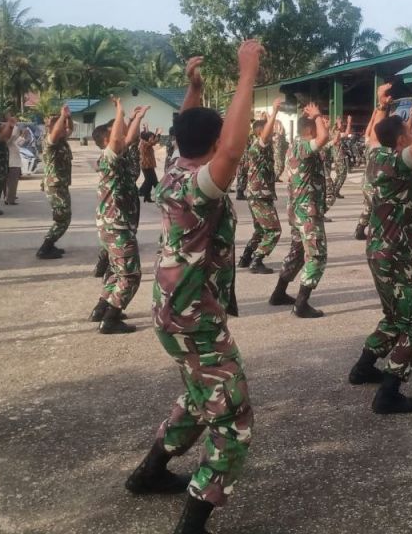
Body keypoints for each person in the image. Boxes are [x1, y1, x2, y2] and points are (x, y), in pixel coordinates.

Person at [124, 44, 261, 534]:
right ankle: (194, 520)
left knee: (201, 397)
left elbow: (190, 129)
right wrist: (247, 74)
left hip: (171, 310)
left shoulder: (173, 171)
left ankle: (149, 473)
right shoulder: (201, 187)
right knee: (233, 417)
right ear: (214, 141)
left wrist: (195, 88)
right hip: (194, 317)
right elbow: (232, 150)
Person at [349, 72, 412, 414]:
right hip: (395, 256)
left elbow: (376, 133)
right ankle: (389, 393)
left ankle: (363, 368)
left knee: (393, 315)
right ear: (400, 140)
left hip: (377, 252)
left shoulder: (374, 156)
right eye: (407, 133)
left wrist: (382, 105)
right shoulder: (399, 164)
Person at [86, 101, 149, 334]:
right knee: (130, 275)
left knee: (116, 271)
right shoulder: (109, 157)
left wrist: (137, 118)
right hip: (116, 226)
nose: (122, 135)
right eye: (116, 132)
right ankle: (110, 320)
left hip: (114, 225)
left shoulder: (116, 156)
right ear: (107, 140)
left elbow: (128, 139)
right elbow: (118, 140)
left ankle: (102, 308)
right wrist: (120, 112)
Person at [272, 103, 330, 317]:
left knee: (297, 253)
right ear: (310, 129)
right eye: (317, 125)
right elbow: (323, 138)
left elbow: (325, 138)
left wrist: (318, 120)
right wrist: (317, 115)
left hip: (298, 210)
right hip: (307, 212)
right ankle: (301, 304)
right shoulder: (303, 146)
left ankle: (278, 293)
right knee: (317, 255)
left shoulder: (295, 146)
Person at [238, 98, 284, 275]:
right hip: (260, 195)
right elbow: (265, 135)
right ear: (260, 132)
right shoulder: (259, 145)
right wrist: (275, 112)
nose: (272, 132)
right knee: (273, 230)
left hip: (257, 194)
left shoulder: (261, 146)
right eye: (269, 130)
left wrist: (269, 117)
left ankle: (245, 257)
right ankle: (257, 260)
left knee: (260, 229)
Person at [38, 105, 73, 259]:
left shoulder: (61, 140)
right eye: (61, 125)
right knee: (63, 218)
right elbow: (57, 130)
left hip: (61, 184)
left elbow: (70, 129)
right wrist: (62, 116)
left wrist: (68, 117)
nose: (65, 127)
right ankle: (45, 248)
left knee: (63, 216)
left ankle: (50, 244)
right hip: (55, 186)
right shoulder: (50, 140)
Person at [354, 116, 377, 241]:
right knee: (377, 208)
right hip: (375, 182)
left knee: (369, 207)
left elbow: (368, 133)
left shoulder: (369, 144)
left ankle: (360, 229)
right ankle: (375, 234)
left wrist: (373, 117)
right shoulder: (381, 146)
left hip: (366, 181)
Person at [4, 123, 25, 206]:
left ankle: (9, 198)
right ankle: (10, 199)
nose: (18, 133)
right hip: (12, 164)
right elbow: (13, 136)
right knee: (12, 183)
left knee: (12, 183)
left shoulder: (13, 141)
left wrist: (23, 135)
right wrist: (13, 127)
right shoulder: (9, 141)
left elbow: (19, 142)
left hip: (15, 164)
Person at [139, 129, 162, 203]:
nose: (152, 138)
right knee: (152, 181)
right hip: (146, 165)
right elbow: (153, 142)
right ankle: (160, 194)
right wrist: (158, 134)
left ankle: (146, 196)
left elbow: (152, 141)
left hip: (148, 165)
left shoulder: (145, 142)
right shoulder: (144, 144)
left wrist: (155, 134)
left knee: (150, 181)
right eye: (151, 137)